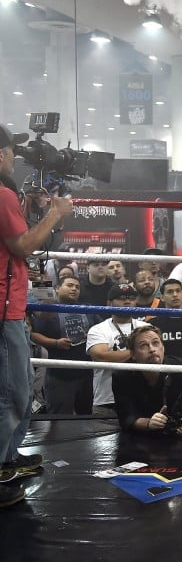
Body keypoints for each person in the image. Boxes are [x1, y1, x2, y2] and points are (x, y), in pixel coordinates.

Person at [0, 125, 74, 507]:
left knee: (21, 387)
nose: (17, 157)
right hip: (2, 310)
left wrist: (32, 206)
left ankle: (9, 459)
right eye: (13, 151)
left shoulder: (7, 194)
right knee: (12, 393)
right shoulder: (0, 192)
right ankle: (0, 469)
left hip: (10, 307)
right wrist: (57, 212)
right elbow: (24, 244)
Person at [111, 324, 182, 435]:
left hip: (177, 436)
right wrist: (148, 423)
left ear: (163, 347)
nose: (152, 349)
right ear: (133, 354)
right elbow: (126, 416)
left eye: (156, 343)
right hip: (139, 439)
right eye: (143, 345)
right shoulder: (122, 375)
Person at [29, 276, 97, 415]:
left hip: (86, 372)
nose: (74, 289)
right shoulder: (47, 311)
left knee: (86, 417)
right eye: (70, 285)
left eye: (77, 287)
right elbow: (33, 334)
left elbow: (101, 330)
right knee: (59, 419)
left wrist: (91, 335)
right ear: (57, 288)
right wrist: (55, 343)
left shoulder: (88, 308)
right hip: (59, 375)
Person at [85, 284, 150, 417]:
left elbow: (155, 355)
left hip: (141, 397)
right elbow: (101, 355)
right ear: (109, 303)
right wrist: (139, 354)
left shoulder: (146, 327)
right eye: (121, 298)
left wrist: (119, 355)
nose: (127, 301)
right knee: (102, 437)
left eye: (131, 298)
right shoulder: (98, 329)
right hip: (107, 400)